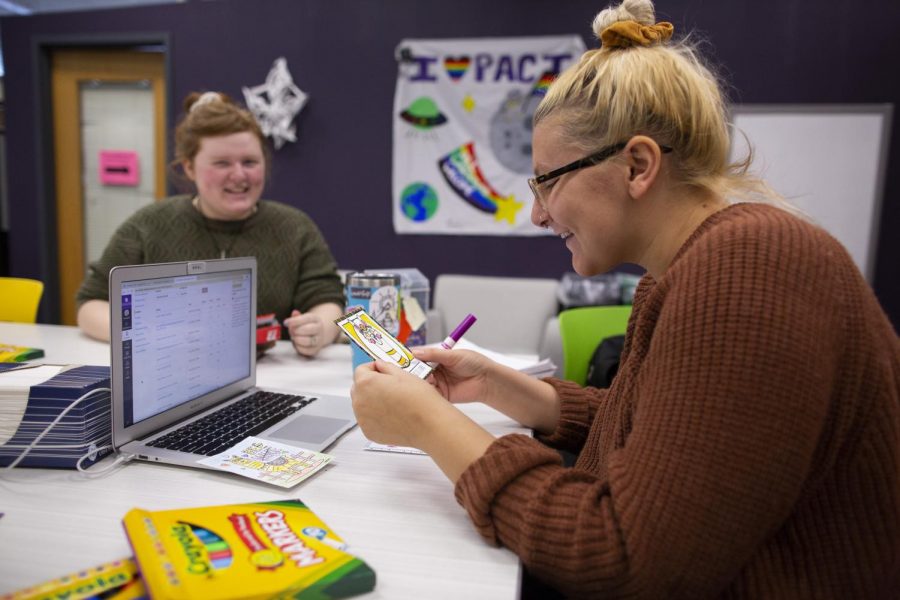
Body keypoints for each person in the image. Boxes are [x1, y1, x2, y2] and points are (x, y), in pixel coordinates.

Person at [349, 1, 900, 597]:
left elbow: (627, 560)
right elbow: (662, 434)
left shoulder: (751, 268)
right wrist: (499, 385)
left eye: (548, 181)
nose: (537, 214)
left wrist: (431, 425)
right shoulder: (690, 268)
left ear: (637, 165)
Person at [76, 91, 344, 357]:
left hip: (274, 381)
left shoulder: (294, 227)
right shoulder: (147, 226)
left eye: (250, 162)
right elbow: (91, 304)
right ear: (189, 168)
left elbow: (327, 300)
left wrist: (319, 328)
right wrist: (149, 333)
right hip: (174, 377)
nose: (239, 175)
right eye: (222, 163)